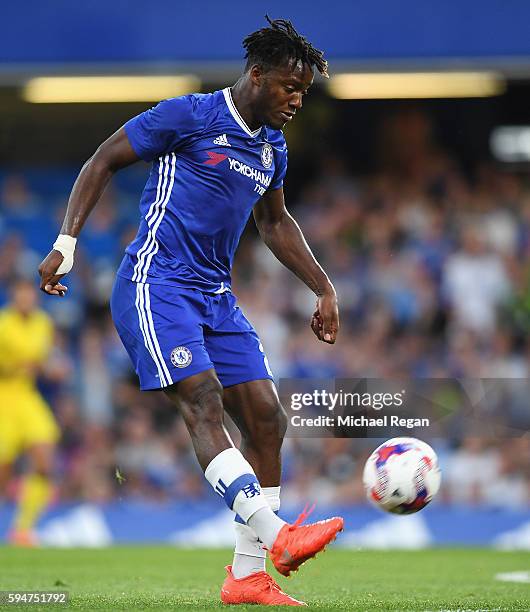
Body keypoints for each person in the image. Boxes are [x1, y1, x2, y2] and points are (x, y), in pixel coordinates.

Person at [38, 16, 342, 606]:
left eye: (303, 91)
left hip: (214, 294)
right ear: (256, 75)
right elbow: (103, 158)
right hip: (156, 281)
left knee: (266, 418)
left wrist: (323, 288)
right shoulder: (191, 116)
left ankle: (247, 576)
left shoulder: (272, 147)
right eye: (288, 86)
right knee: (202, 400)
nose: (296, 100)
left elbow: (274, 222)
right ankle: (280, 537)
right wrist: (67, 242)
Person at [0, 279, 60, 546]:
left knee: (45, 462)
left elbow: (41, 362)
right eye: (20, 294)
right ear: (13, 297)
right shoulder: (3, 325)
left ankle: (23, 530)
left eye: (29, 295)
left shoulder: (43, 323)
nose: (26, 299)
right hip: (4, 398)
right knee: (4, 471)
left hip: (27, 398)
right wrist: (15, 368)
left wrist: (52, 369)